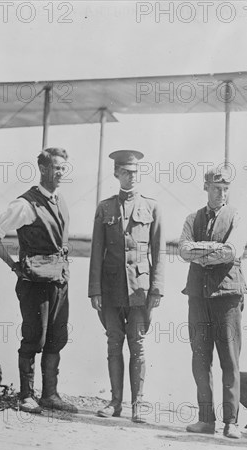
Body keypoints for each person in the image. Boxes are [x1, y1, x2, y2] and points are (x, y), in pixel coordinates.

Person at [0, 147, 77, 414]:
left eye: (63, 168)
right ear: (43, 169)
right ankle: (26, 395)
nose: (60, 173)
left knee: (56, 337)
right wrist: (13, 265)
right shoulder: (25, 203)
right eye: (56, 168)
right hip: (34, 282)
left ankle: (50, 395)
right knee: (33, 338)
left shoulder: (60, 200)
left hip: (59, 279)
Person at [88, 150, 165, 422]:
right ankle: (115, 402)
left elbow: (159, 252)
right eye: (126, 172)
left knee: (138, 345)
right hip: (110, 290)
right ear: (116, 173)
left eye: (135, 171)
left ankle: (139, 404)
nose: (131, 176)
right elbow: (97, 252)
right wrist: (94, 291)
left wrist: (156, 289)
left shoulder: (152, 207)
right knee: (113, 344)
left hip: (139, 291)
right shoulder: (104, 207)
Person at [178, 166, 247, 439]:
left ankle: (231, 422)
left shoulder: (236, 217)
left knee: (229, 360)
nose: (222, 193)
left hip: (228, 297)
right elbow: (183, 249)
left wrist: (202, 249)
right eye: (217, 187)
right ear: (206, 187)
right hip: (197, 296)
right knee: (200, 357)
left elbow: (233, 251)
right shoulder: (192, 218)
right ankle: (206, 420)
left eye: (226, 188)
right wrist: (213, 250)